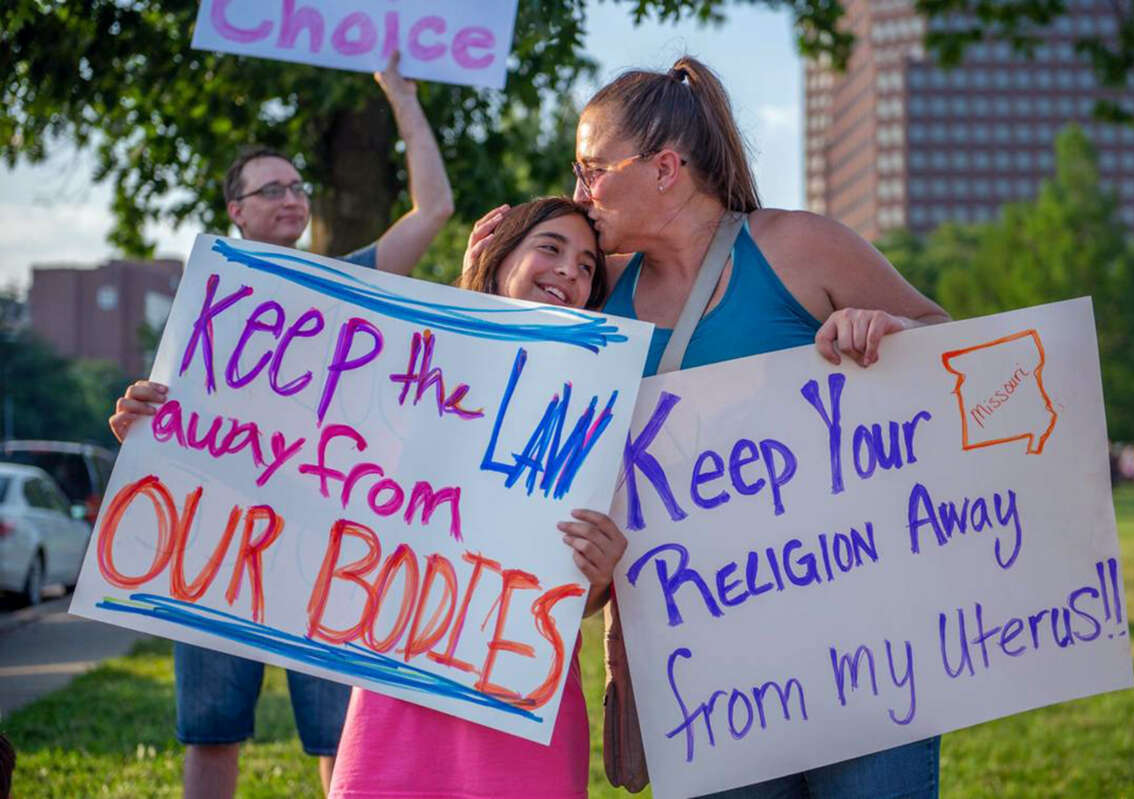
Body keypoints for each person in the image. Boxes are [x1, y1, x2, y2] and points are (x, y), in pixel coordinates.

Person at [466, 55, 950, 798]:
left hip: (862, 646)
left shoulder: (797, 246)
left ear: (664, 168)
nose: (578, 192)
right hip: (705, 675)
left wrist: (880, 327)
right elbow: (504, 410)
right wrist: (479, 287)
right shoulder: (602, 290)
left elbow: (945, 343)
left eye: (591, 168)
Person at [112, 198, 623, 798]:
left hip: (519, 696)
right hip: (398, 685)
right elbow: (289, 467)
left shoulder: (598, 407)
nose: (570, 270)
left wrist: (601, 570)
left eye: (588, 265)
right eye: (551, 247)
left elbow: (579, 600)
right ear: (501, 253)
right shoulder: (407, 366)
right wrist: (166, 438)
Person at [108, 51, 453, 799]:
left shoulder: (346, 283)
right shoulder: (207, 301)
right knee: (212, 730)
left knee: (340, 741)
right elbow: (162, 417)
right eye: (272, 189)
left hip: (320, 543)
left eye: (299, 185)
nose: (292, 198)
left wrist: (399, 97)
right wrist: (134, 417)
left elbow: (434, 212)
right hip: (212, 540)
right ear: (235, 210)